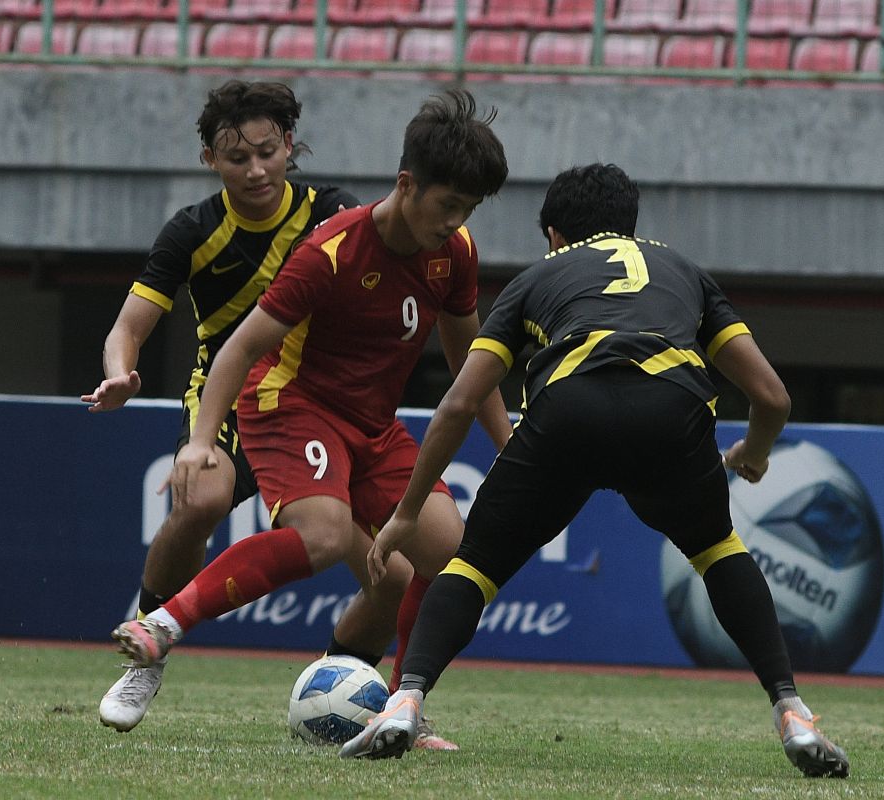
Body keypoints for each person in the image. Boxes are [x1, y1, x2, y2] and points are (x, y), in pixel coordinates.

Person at [339, 164, 851, 779]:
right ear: (630, 225)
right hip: (673, 414)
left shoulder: (539, 277)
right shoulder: (684, 271)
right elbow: (772, 397)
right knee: (719, 552)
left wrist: (407, 513)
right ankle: (792, 710)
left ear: (553, 233)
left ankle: (405, 700)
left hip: (568, 413)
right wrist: (755, 453)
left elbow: (460, 402)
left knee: (473, 566)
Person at [108, 89, 513, 749]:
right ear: (407, 184)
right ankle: (163, 625)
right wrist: (201, 442)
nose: (457, 221)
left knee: (450, 556)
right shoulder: (332, 250)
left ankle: (401, 705)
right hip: (291, 401)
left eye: (469, 209)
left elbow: (473, 359)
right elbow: (240, 347)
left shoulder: (455, 251)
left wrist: (509, 446)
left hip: (372, 425)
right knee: (321, 535)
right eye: (449, 205)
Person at [83, 79, 413, 734]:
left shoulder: (332, 213)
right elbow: (127, 328)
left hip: (319, 402)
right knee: (201, 499)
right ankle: (151, 644)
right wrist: (119, 375)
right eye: (238, 158)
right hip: (230, 400)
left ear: (290, 145)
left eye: (268, 151)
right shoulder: (193, 230)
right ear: (211, 159)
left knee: (395, 573)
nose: (256, 169)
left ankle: (355, 689)